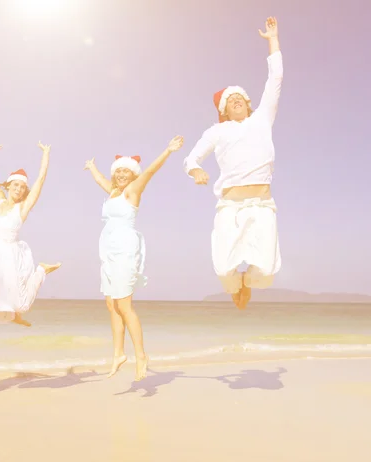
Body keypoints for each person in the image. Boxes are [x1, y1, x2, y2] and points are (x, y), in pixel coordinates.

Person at [183, 17, 283, 310]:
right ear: (223, 110)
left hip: (262, 205)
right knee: (223, 269)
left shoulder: (262, 118)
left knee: (266, 270)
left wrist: (272, 40)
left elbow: (275, 79)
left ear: (249, 104)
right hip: (230, 207)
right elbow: (191, 157)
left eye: (240, 96)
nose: (236, 99)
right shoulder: (217, 131)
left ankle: (247, 283)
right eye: (230, 99)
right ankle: (234, 285)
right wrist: (196, 169)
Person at [84, 136, 185, 381]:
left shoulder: (132, 191)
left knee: (125, 305)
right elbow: (100, 180)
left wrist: (168, 151)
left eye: (125, 171)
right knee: (111, 304)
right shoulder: (112, 192)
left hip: (125, 249)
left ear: (132, 174)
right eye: (117, 170)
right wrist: (92, 167)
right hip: (108, 250)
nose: (120, 174)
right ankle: (118, 353)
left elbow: (150, 171)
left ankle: (141, 355)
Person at [0, 142, 61, 326]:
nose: (19, 189)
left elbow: (40, 181)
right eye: (15, 185)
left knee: (21, 304)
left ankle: (41, 271)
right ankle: (14, 317)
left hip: (10, 255)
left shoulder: (23, 208)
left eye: (22, 187)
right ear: (9, 185)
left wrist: (46, 154)